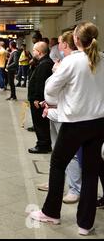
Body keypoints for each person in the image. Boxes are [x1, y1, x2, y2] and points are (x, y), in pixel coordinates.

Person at [30, 22, 104, 236]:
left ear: (77, 40)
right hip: (99, 123)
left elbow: (50, 88)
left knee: (58, 163)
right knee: (91, 171)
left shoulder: (72, 61)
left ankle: (51, 212)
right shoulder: (102, 58)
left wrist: (55, 103)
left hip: (75, 124)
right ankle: (85, 224)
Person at [37, 31, 82, 204]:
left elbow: (56, 88)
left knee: (70, 155)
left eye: (60, 43)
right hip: (54, 112)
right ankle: (55, 182)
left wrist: (56, 72)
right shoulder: (63, 62)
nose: (57, 46)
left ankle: (74, 189)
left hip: (65, 114)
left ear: (65, 45)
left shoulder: (70, 63)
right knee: (57, 153)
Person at [27, 41, 53, 154]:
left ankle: (43, 145)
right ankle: (44, 144)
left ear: (39, 52)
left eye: (34, 50)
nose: (33, 52)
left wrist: (37, 98)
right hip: (39, 100)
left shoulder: (44, 64)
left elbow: (41, 83)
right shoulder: (44, 62)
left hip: (38, 101)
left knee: (40, 123)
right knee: (40, 123)